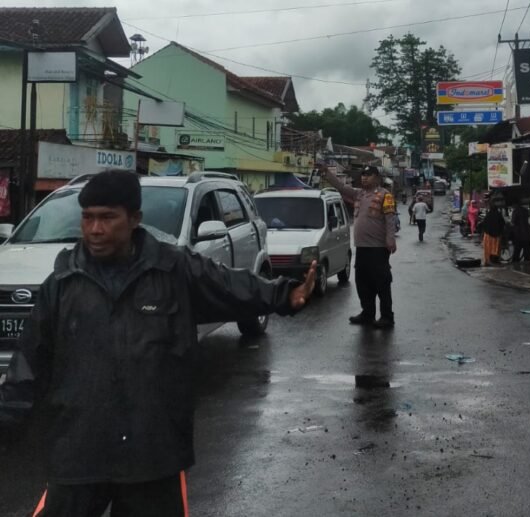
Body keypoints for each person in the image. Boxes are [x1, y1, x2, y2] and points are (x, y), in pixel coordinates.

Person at [0, 170, 316, 517]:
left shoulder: (173, 269)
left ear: (135, 219)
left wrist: (285, 294)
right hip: (78, 450)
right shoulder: (61, 282)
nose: (95, 229)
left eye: (107, 218)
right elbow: (30, 363)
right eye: (87, 217)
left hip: (152, 452)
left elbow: (229, 286)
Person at [322, 165, 397, 329]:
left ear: (377, 177)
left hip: (378, 248)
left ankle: (386, 317)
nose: (364, 178)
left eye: (368, 175)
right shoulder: (359, 194)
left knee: (382, 283)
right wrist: (327, 173)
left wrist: (390, 239)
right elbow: (341, 187)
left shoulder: (386, 195)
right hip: (362, 248)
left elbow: (390, 219)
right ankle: (367, 313)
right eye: (363, 175)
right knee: (363, 282)